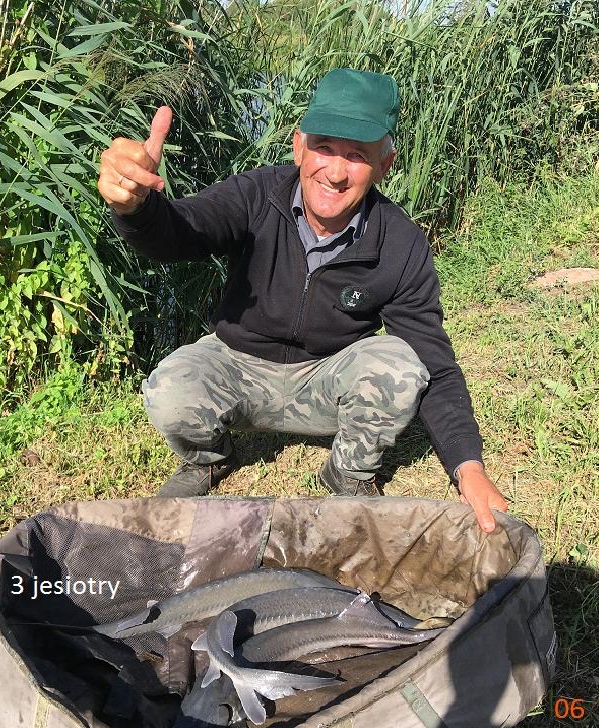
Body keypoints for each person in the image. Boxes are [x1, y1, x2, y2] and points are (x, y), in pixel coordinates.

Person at [97, 68, 507, 533]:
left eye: (357, 155)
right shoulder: (255, 194)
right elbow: (182, 231)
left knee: (401, 367)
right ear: (298, 146)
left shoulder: (400, 241)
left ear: (385, 164)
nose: (335, 172)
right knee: (170, 389)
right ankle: (210, 459)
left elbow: (434, 359)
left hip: (325, 378)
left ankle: (348, 471)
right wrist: (136, 208)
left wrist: (467, 466)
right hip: (238, 364)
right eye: (324, 147)